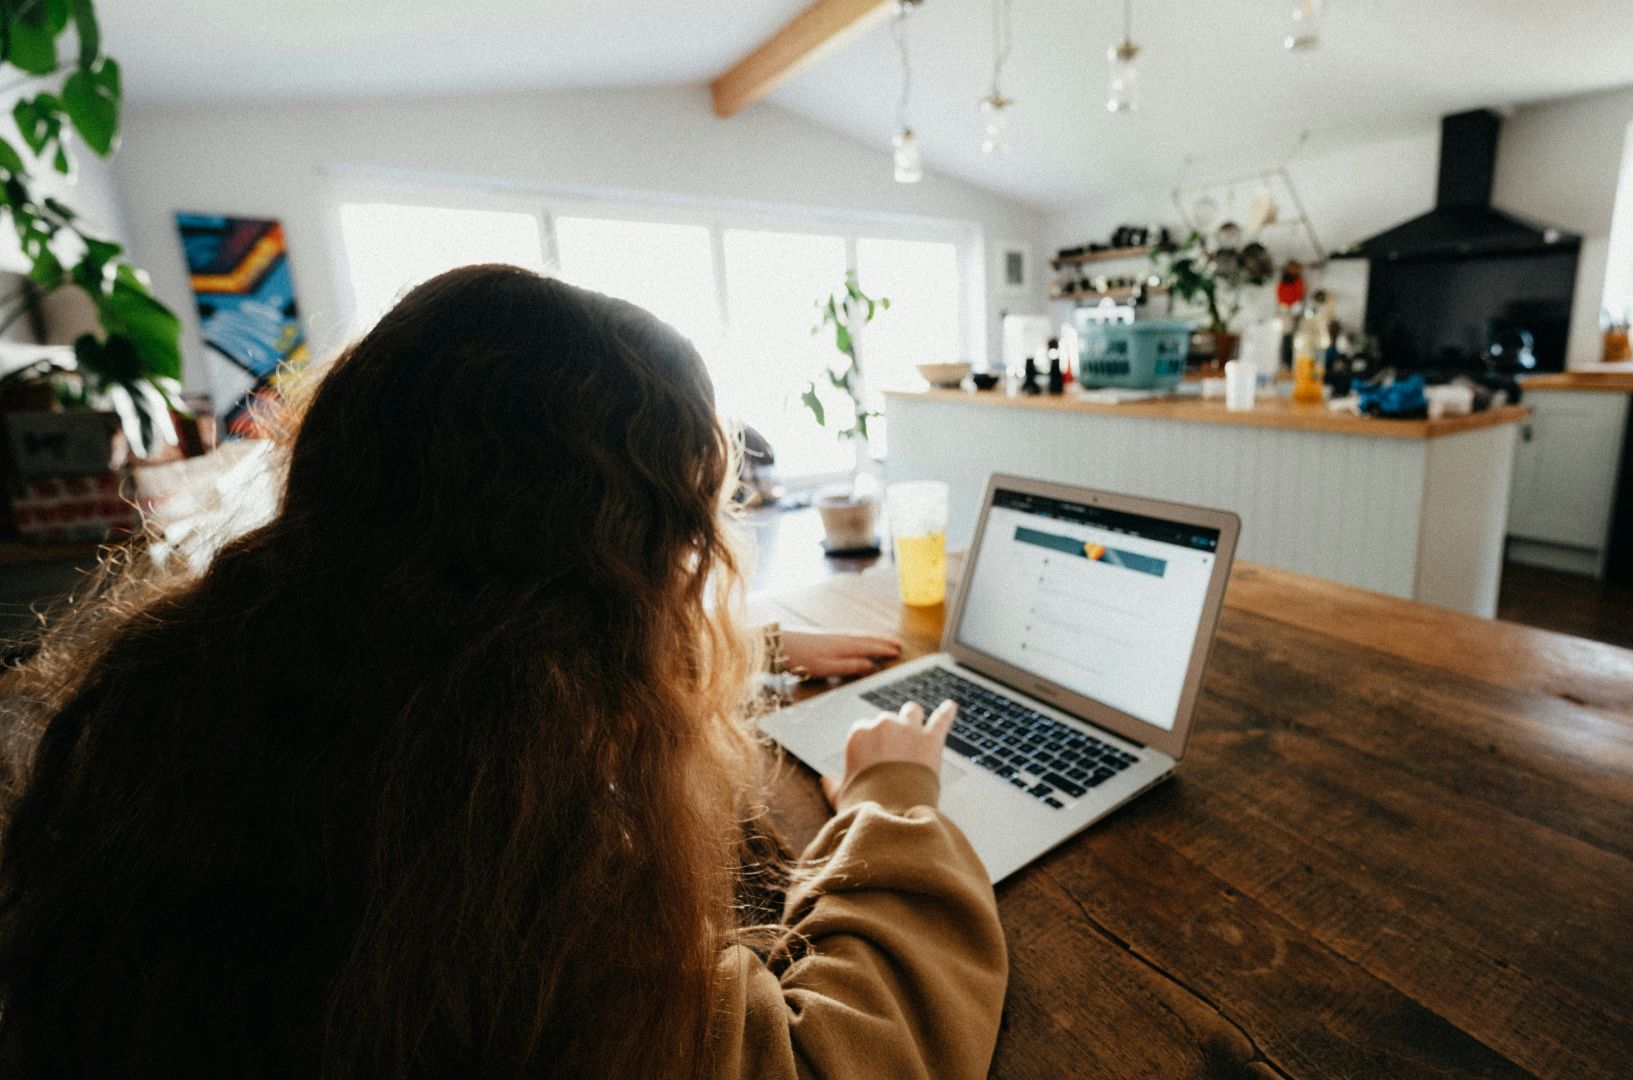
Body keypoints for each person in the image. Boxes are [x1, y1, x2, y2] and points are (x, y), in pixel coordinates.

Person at [0, 265, 1006, 1079]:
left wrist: (756, 654)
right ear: (610, 579)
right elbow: (826, 1060)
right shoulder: (496, 858)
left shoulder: (188, 695)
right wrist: (893, 802)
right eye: (678, 540)